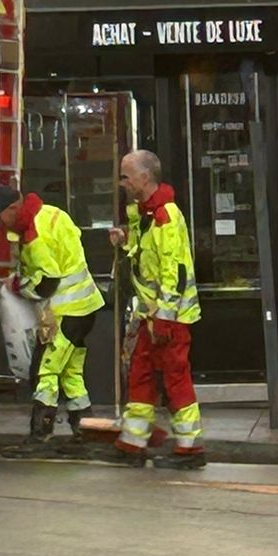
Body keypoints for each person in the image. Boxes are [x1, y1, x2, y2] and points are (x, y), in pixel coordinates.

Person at [0, 185, 104, 439]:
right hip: (84, 308)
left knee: (44, 370)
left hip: (68, 311)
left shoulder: (34, 236)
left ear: (13, 209)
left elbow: (46, 283)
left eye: (0, 216)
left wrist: (17, 285)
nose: (0, 224)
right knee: (71, 373)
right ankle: (86, 429)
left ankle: (41, 434)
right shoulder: (49, 214)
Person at [108, 149, 204, 467]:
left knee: (175, 378)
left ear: (144, 178)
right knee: (141, 373)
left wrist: (164, 315)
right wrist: (125, 239)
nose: (122, 183)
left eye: (126, 176)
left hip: (169, 316)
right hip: (152, 314)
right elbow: (147, 257)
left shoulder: (165, 216)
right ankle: (134, 442)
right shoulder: (146, 214)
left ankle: (189, 447)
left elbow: (173, 271)